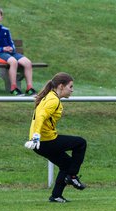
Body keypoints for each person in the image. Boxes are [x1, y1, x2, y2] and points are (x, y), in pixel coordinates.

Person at [24, 72, 87, 203]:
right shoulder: (53, 100)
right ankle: (72, 176)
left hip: (41, 142)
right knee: (80, 143)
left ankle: (56, 196)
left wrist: (35, 137)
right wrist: (36, 136)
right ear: (61, 86)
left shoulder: (50, 97)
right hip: (45, 141)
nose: (72, 90)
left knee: (67, 164)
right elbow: (40, 116)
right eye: (70, 87)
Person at [0, 7, 36, 96]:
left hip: (10, 53)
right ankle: (13, 88)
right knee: (13, 61)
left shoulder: (6, 30)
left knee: (28, 63)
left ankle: (29, 88)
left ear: (1, 18)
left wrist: (11, 48)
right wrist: (2, 49)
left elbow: (11, 43)